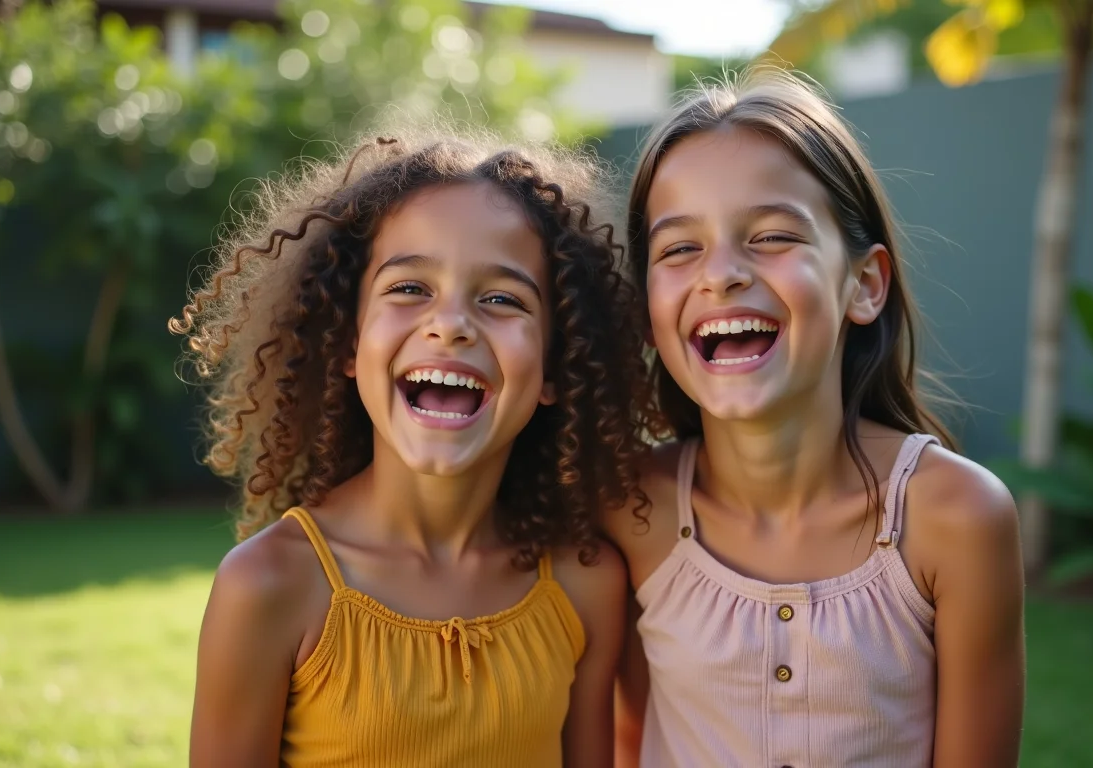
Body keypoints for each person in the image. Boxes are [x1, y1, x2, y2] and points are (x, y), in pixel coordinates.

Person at [173, 126, 653, 767]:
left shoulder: (584, 584)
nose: (450, 324)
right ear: (347, 342)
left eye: (502, 299)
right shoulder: (271, 585)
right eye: (409, 288)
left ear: (555, 368)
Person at [607, 69, 1026, 767]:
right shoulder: (627, 512)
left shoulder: (958, 518)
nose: (722, 274)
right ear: (648, 313)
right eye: (679, 248)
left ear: (864, 285)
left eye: (771, 236)